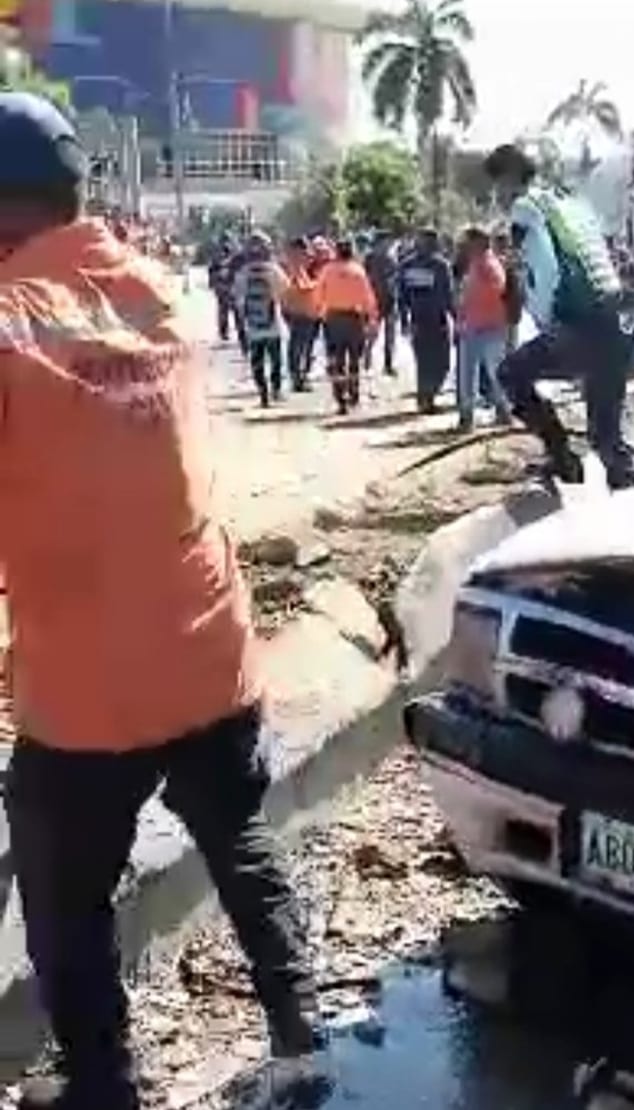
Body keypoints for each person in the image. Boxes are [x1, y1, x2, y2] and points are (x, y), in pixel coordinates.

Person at [0, 93, 322, 1110]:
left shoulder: (6, 323)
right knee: (240, 841)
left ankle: (105, 1088)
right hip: (209, 648)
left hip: (88, 690)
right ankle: (305, 1032)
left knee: (64, 901)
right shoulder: (164, 292)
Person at [483, 142, 634, 489]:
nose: (496, 194)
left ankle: (562, 458)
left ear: (508, 178)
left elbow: (547, 269)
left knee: (510, 374)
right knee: (606, 438)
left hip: (579, 324)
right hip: (614, 321)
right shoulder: (568, 202)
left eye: (496, 184)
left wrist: (546, 319)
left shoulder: (526, 208)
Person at [456, 226, 513, 431]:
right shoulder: (478, 263)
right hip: (476, 325)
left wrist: (469, 304)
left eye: (467, 242)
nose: (464, 246)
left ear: (478, 243)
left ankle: (501, 411)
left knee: (490, 372)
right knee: (472, 373)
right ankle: (469, 416)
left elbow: (494, 290)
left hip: (486, 326)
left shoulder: (488, 264)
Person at [316, 237, 378, 415]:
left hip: (333, 318)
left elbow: (318, 295)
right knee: (354, 360)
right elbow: (368, 298)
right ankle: (354, 393)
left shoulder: (327, 271)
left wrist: (321, 314)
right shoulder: (358, 271)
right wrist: (372, 318)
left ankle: (339, 397)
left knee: (336, 360)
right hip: (353, 318)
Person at [397, 227, 455, 414]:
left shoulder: (412, 265)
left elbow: (402, 297)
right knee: (436, 361)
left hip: (426, 320)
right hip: (431, 321)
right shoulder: (439, 266)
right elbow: (448, 296)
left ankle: (427, 396)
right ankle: (426, 398)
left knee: (429, 362)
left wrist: (405, 321)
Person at [233, 229, 290, 407]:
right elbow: (285, 289)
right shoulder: (274, 270)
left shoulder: (243, 272)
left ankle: (262, 391)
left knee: (256, 360)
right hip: (273, 323)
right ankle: (276, 389)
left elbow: (238, 298)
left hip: (253, 325)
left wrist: (243, 320)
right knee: (276, 360)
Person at [280, 236, 320, 392]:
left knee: (301, 347)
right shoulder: (293, 267)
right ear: (298, 251)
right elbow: (299, 287)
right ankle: (298, 379)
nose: (308, 256)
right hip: (299, 312)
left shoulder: (297, 267)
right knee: (299, 347)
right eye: (305, 252)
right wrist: (318, 285)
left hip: (301, 311)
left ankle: (299, 377)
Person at [363, 229, 399, 376]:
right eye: (385, 242)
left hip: (390, 299)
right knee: (372, 333)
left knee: (390, 335)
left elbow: (395, 278)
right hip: (374, 300)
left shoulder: (392, 259)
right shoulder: (370, 258)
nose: (388, 245)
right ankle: (367, 359)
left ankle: (388, 364)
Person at [207, 234, 243, 348]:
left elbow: (240, 270)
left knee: (235, 310)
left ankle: (239, 332)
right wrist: (213, 283)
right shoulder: (217, 257)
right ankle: (225, 332)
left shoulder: (235, 256)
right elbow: (212, 271)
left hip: (231, 287)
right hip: (223, 287)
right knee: (226, 310)